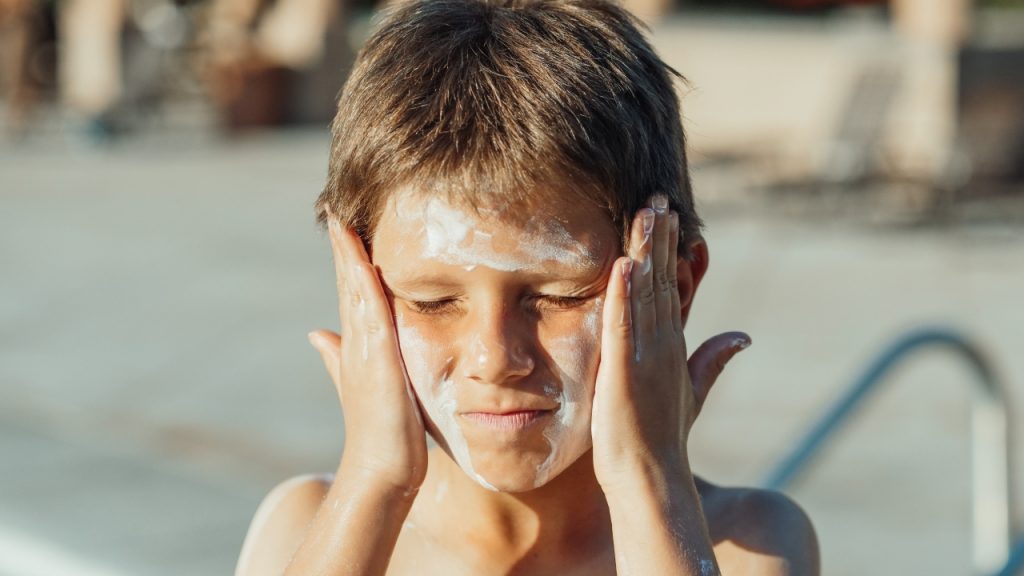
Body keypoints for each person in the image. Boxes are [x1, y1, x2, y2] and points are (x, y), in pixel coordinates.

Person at [235, 0, 820, 574]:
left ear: (674, 288)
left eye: (557, 296)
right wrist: (376, 480)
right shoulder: (307, 528)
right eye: (431, 302)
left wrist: (646, 476)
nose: (495, 359)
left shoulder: (747, 543)